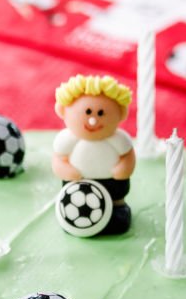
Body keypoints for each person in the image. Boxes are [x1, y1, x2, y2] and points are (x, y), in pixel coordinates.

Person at [52, 75, 135, 235]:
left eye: (100, 113)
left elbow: (128, 156)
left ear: (121, 114)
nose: (92, 121)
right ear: (62, 111)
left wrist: (124, 167)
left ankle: (117, 209)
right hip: (78, 184)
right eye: (88, 112)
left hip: (112, 182)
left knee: (116, 199)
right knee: (76, 202)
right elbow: (58, 159)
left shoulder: (118, 140)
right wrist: (65, 169)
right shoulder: (67, 140)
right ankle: (74, 219)